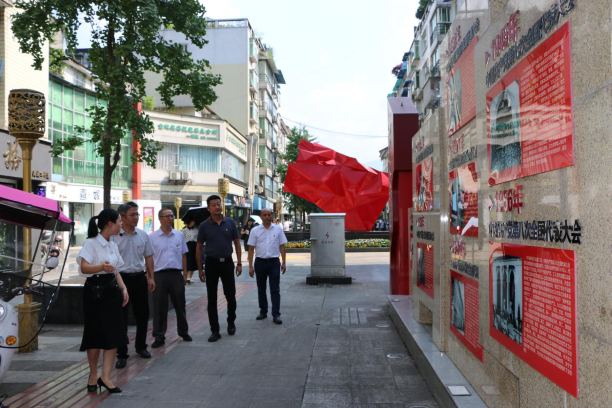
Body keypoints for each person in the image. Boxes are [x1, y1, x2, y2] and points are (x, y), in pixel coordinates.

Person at [77, 209, 129, 394]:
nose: (120, 225)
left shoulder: (113, 245)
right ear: (110, 224)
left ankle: (105, 377)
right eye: (119, 222)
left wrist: (123, 288)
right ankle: (93, 375)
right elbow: (83, 267)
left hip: (111, 291)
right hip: (94, 292)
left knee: (114, 334)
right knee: (94, 335)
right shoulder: (90, 243)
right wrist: (101, 267)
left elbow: (116, 271)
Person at [114, 202, 156, 370]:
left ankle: (141, 346)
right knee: (121, 317)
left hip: (139, 278)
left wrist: (151, 277)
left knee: (142, 314)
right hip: (120, 279)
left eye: (137, 214)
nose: (136, 217)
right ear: (122, 217)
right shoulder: (114, 236)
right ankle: (122, 354)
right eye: (132, 214)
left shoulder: (143, 235)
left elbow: (149, 257)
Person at [196, 195, 242, 342]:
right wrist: (200, 269)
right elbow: (199, 248)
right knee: (212, 299)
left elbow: (237, 242)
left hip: (227, 263)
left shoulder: (230, 222)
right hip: (211, 264)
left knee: (231, 296)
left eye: (218, 204)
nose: (217, 207)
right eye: (213, 205)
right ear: (208, 208)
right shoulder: (204, 226)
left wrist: (239, 263)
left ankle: (231, 322)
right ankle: (214, 330)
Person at [149, 209, 192, 348]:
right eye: (167, 216)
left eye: (172, 216)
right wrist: (150, 277)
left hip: (175, 274)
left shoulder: (179, 235)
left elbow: (184, 255)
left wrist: (184, 274)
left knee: (180, 304)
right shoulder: (152, 237)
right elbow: (149, 258)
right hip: (159, 275)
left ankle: (183, 331)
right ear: (160, 218)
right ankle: (159, 336)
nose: (170, 218)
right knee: (159, 307)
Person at [247, 208, 287, 325]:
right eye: (265, 215)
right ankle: (263, 311)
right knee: (261, 289)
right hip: (260, 262)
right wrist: (250, 266)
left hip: (274, 263)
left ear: (272, 216)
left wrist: (284, 262)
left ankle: (276, 314)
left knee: (275, 289)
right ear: (261, 216)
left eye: (269, 215)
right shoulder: (255, 230)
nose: (267, 217)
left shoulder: (278, 229)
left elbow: (282, 246)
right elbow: (251, 249)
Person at [182, 218, 199, 284]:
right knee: (187, 261)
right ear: (189, 222)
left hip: (194, 246)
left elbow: (198, 238)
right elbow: (182, 239)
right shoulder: (184, 230)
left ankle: (190, 277)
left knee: (193, 262)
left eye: (194, 221)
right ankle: (186, 277)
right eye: (192, 221)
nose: (193, 222)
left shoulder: (196, 229)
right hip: (187, 246)